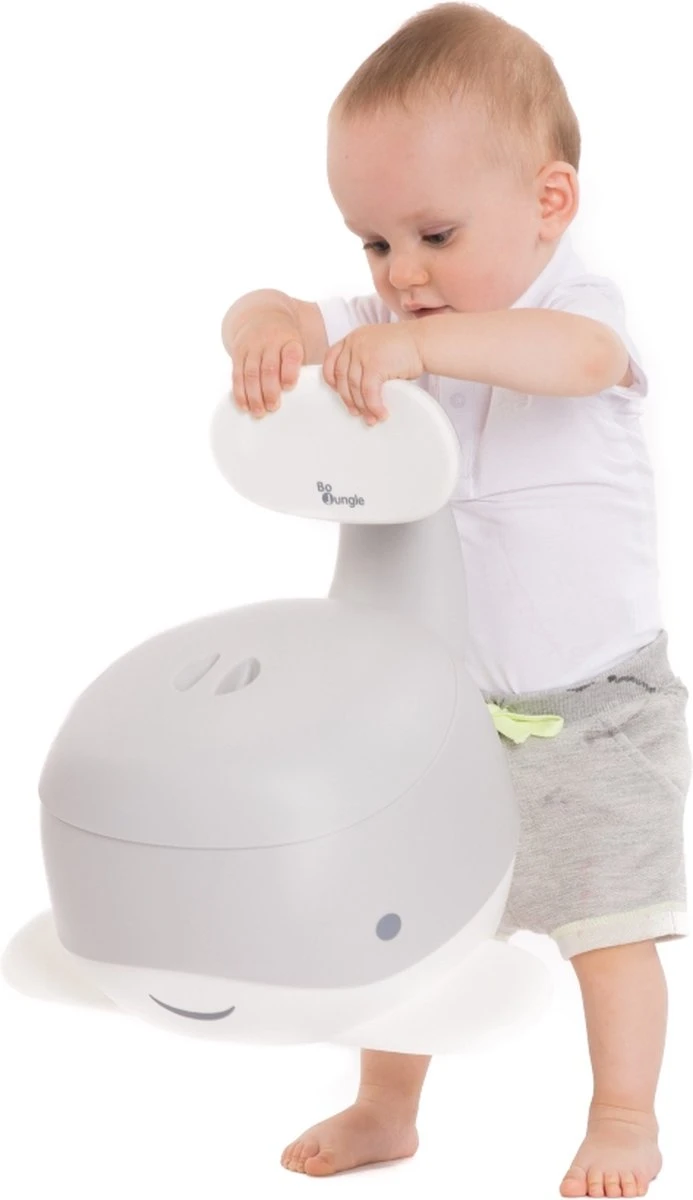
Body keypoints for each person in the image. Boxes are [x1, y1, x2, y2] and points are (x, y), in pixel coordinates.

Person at [220, 4, 691, 1195]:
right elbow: (275, 305)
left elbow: (577, 363)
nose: (402, 275)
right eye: (374, 243)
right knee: (409, 920)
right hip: (441, 714)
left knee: (608, 926)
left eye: (433, 234)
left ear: (549, 201)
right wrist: (264, 328)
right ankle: (387, 1109)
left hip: (593, 714)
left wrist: (423, 351)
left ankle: (624, 1115)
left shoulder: (579, 312)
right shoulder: (394, 318)